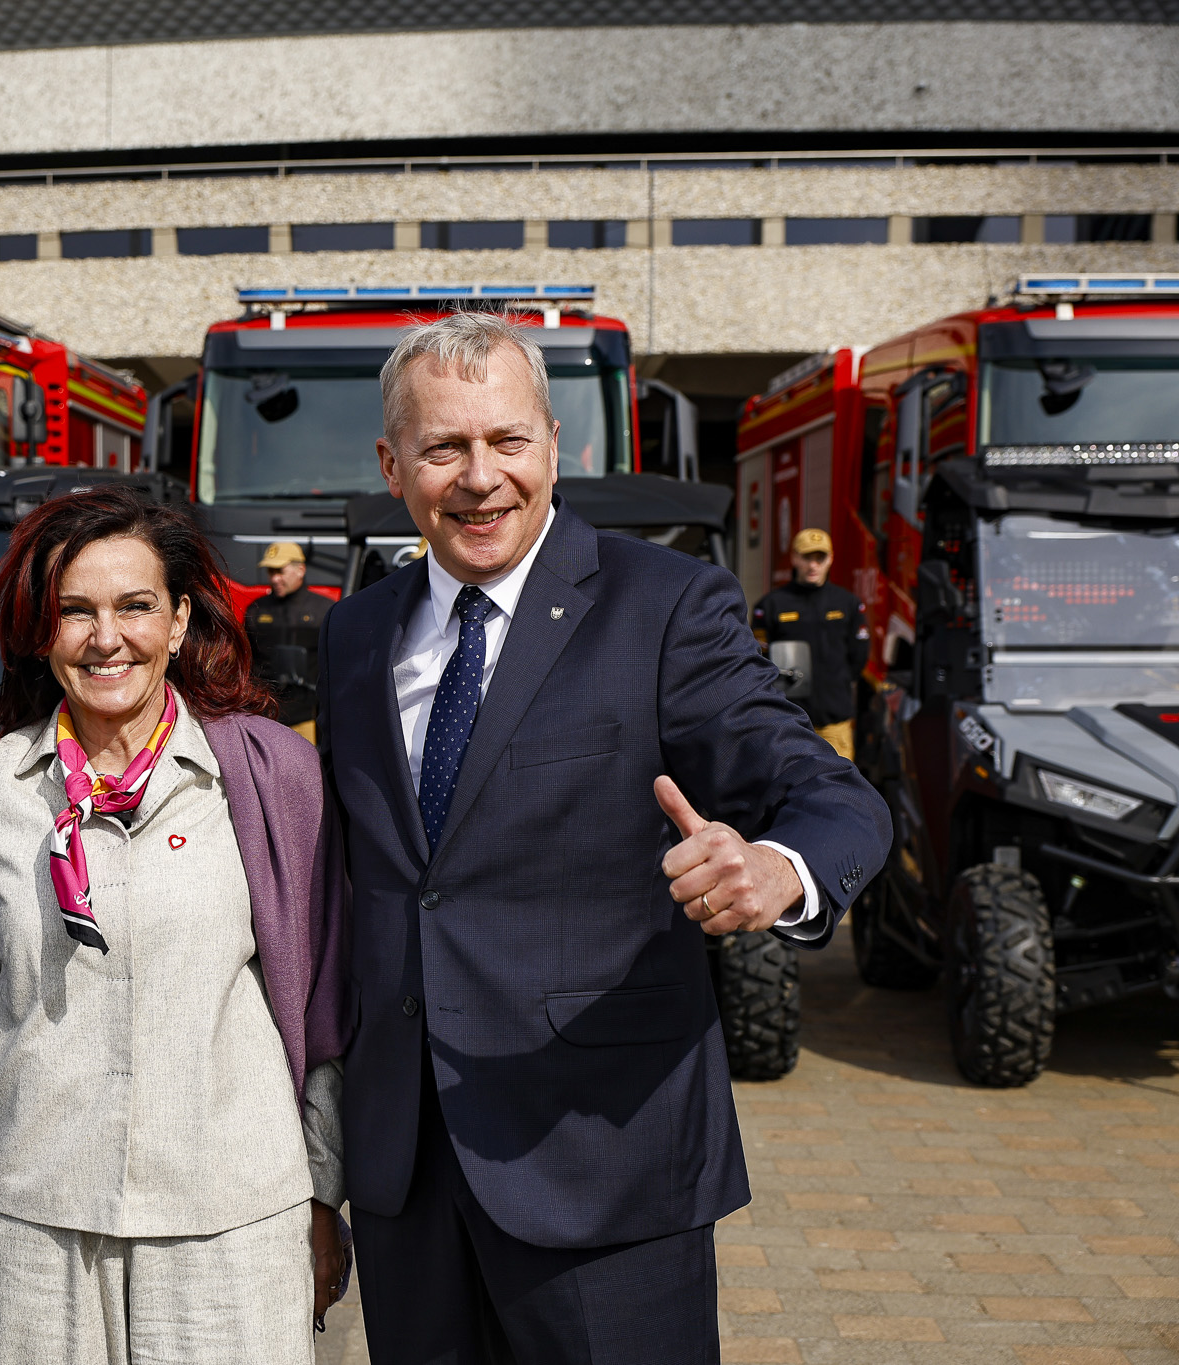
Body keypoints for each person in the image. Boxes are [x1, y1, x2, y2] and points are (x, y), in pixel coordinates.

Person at [317, 311, 890, 1364]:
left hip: (599, 1164)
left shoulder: (663, 606)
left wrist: (777, 866)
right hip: (405, 1173)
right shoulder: (354, 634)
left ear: (552, 445)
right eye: (443, 448)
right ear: (392, 466)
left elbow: (824, 790)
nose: (479, 478)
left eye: (506, 442)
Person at [0, 485, 349, 1364]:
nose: (105, 636)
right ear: (43, 630)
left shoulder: (272, 780)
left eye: (135, 605)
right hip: (41, 1221)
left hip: (235, 1214)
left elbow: (325, 1005)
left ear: (182, 619)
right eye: (75, 610)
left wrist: (320, 1191)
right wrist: (10, 1145)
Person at [752, 527, 871, 761]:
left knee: (838, 792)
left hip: (834, 723)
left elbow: (859, 657)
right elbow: (758, 658)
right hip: (787, 722)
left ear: (831, 558)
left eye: (820, 558)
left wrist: (836, 683)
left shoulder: (847, 603)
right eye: (807, 557)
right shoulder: (771, 605)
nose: (813, 565)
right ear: (794, 558)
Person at [245, 541, 334, 742]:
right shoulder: (256, 610)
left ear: (300, 570)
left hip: (307, 719)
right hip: (265, 717)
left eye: (280, 571)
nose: (275, 578)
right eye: (271, 571)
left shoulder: (324, 610)